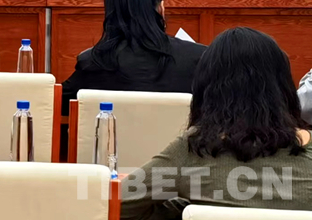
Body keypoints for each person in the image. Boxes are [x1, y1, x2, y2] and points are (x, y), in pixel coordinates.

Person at [121, 27, 312, 219]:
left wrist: (188, 211)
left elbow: (118, 203)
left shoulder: (193, 151)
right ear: (283, 86)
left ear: (207, 88)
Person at [62, 0, 206, 114]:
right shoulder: (199, 59)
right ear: (161, 9)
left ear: (109, 13)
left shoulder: (91, 62)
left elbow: (57, 106)